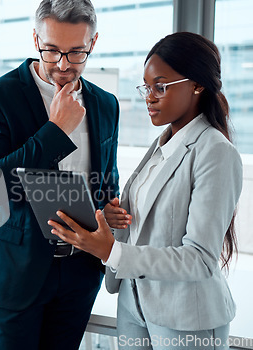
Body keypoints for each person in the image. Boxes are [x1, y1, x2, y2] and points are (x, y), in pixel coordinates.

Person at [49, 32, 243, 350]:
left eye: (161, 86)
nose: (149, 97)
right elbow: (147, 224)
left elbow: (199, 260)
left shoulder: (215, 152)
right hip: (135, 305)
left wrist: (112, 251)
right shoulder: (161, 144)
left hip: (185, 316)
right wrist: (117, 217)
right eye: (146, 87)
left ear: (197, 85)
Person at [0, 0, 120, 348]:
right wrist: (55, 131)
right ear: (36, 39)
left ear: (92, 44)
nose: (63, 64)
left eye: (76, 52)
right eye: (51, 50)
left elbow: (106, 180)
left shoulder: (106, 104)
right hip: (16, 270)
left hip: (80, 273)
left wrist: (108, 209)